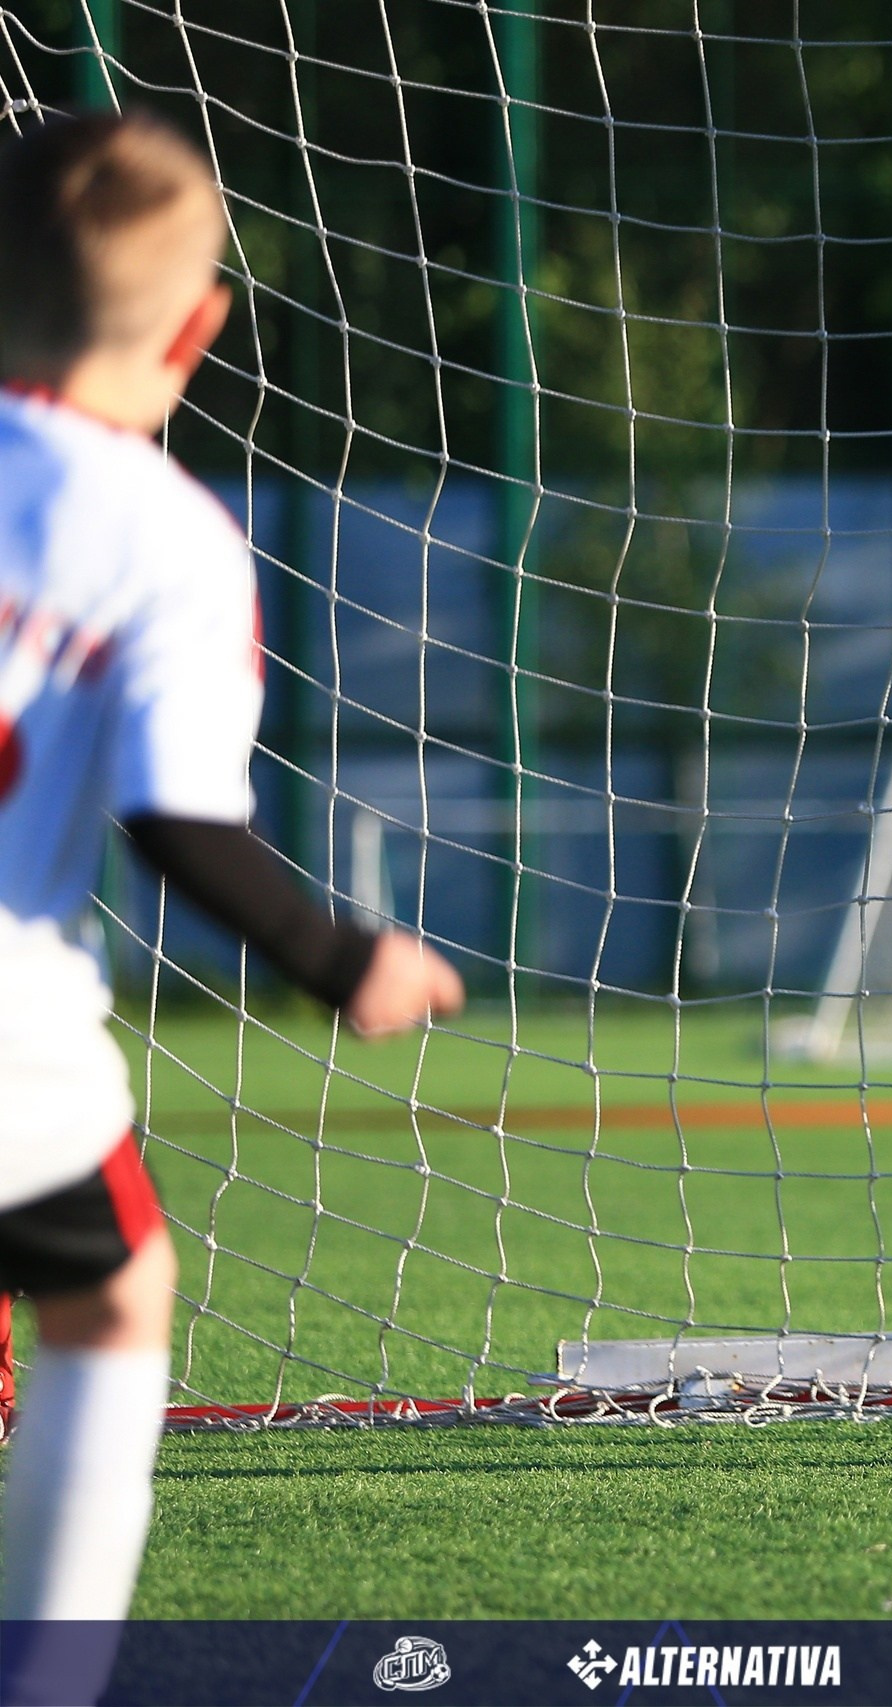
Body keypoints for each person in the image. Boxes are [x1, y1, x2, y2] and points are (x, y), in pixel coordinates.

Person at [0, 112, 462, 1675]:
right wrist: (345, 956)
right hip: (9, 1029)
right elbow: (176, 823)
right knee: (116, 1294)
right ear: (200, 322)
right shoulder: (162, 535)